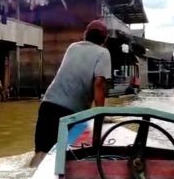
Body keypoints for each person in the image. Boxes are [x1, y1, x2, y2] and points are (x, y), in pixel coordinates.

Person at [29, 20, 112, 167]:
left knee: (41, 154)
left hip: (48, 104)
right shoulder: (103, 53)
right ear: (104, 39)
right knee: (63, 159)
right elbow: (99, 83)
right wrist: (100, 116)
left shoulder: (72, 47)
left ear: (86, 34)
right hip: (71, 114)